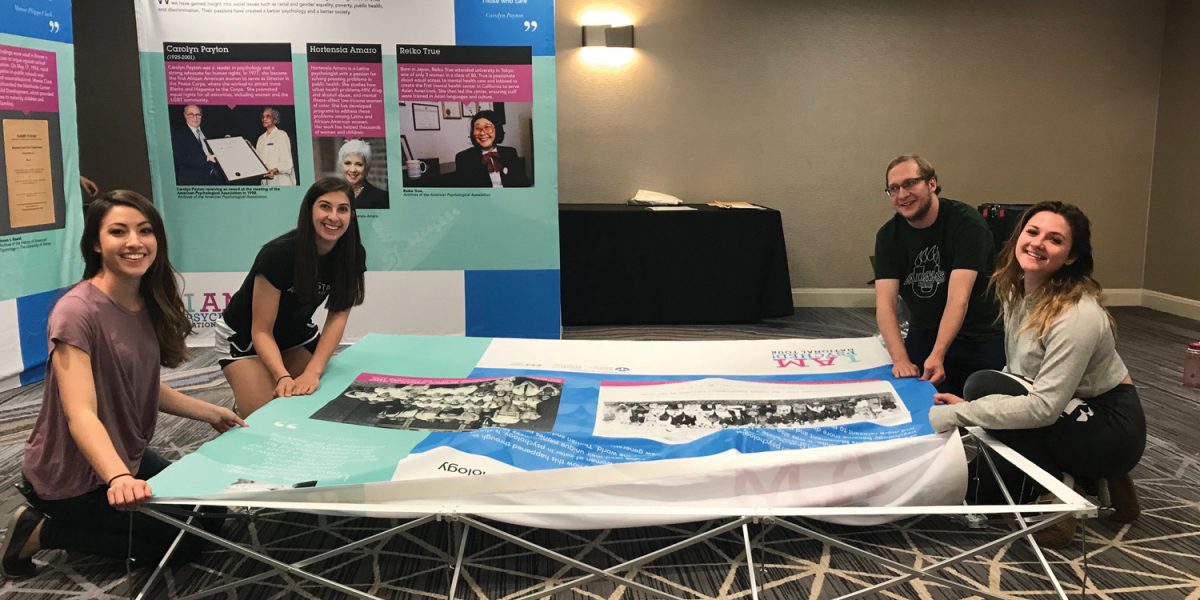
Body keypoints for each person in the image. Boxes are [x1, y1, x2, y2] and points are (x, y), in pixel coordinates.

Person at [1, 191, 245, 578]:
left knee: (211, 514)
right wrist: (118, 477)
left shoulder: (146, 299)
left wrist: (209, 412)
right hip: (73, 475)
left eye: (145, 231)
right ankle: (40, 532)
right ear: (96, 244)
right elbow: (80, 412)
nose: (134, 241)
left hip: (125, 451)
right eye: (118, 232)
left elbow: (138, 386)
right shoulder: (76, 312)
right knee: (183, 544)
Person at [929, 201, 1146, 548]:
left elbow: (1043, 408)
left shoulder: (1077, 314)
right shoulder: (1018, 291)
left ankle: (1064, 488)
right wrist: (975, 406)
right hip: (1069, 410)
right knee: (976, 483)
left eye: (1055, 240)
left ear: (1071, 257)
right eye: (1032, 232)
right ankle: (1094, 477)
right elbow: (1016, 373)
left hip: (1109, 428)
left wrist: (960, 414)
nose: (1038, 243)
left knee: (983, 392)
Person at [216, 177, 367, 417]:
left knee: (327, 401)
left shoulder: (353, 254)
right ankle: (246, 396)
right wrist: (282, 376)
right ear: (309, 211)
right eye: (325, 206)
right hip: (245, 338)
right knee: (266, 417)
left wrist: (312, 372)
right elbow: (261, 331)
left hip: (295, 335)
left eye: (342, 209)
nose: (333, 217)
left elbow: (337, 316)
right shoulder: (277, 254)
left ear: (352, 215)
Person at [873, 155, 1004, 396]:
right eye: (894, 188)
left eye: (910, 183)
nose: (902, 194)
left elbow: (958, 300)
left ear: (931, 183)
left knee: (980, 399)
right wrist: (901, 359)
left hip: (977, 333)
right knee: (910, 395)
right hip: (925, 330)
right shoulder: (888, 236)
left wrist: (938, 354)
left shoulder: (967, 224)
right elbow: (885, 304)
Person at [454, 110, 530, 188]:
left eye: (487, 127)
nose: (482, 133)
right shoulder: (463, 158)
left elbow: (523, 184)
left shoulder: (510, 152)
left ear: (497, 129)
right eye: (477, 128)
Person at [170, 104, 223, 185]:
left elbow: (217, 142)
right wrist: (206, 158)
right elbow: (182, 158)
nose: (195, 118)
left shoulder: (209, 130)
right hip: (193, 181)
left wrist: (226, 140)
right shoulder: (178, 135)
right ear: (185, 115)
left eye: (198, 114)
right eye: (191, 114)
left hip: (215, 178)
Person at [337, 139, 388, 209]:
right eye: (347, 163)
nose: (352, 170)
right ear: (341, 165)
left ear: (366, 167)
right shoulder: (332, 194)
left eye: (359, 164)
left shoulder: (382, 198)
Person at [255, 107, 296, 186]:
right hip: (265, 183)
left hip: (281, 182)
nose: (264, 119)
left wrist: (275, 171)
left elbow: (287, 163)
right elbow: (258, 161)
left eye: (268, 116)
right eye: (263, 117)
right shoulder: (260, 139)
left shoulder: (282, 135)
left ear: (275, 119)